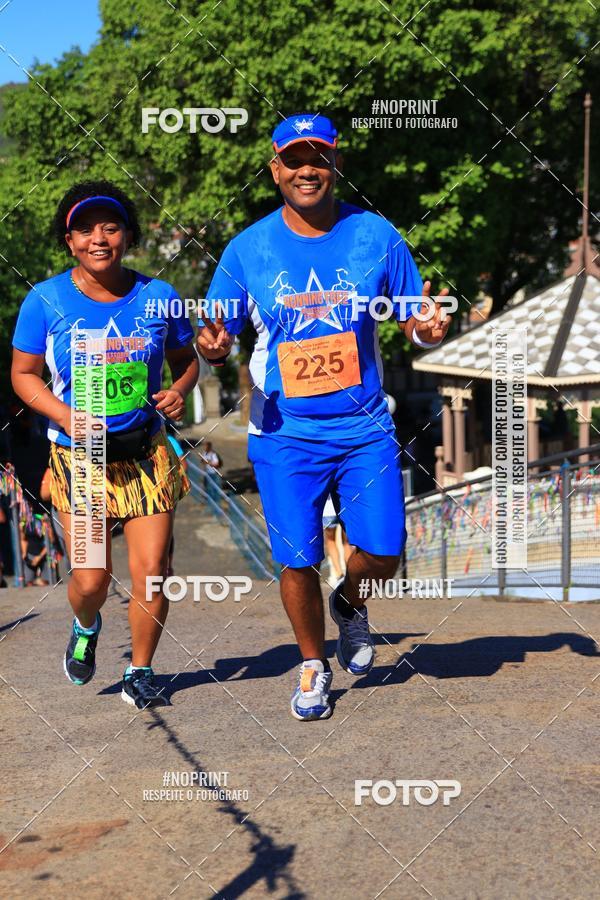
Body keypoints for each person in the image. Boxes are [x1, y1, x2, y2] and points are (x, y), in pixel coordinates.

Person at [197, 114, 452, 720]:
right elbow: (219, 335)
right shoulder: (247, 249)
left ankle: (350, 600)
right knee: (296, 558)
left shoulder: (376, 235)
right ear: (275, 170)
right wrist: (212, 350)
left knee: (385, 549)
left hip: (365, 429)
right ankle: (312, 665)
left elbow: (413, 318)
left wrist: (427, 328)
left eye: (319, 158)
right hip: (284, 435)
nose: (306, 169)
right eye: (294, 159)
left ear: (336, 165)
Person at [11, 180, 199, 709]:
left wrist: (178, 391)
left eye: (111, 227)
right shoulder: (44, 300)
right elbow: (24, 376)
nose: (99, 238)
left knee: (154, 571)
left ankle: (140, 671)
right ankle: (86, 624)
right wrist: (67, 415)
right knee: (92, 578)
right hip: (83, 457)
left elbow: (187, 362)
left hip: (145, 454)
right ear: (68, 241)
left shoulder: (159, 297)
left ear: (128, 236)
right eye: (85, 229)